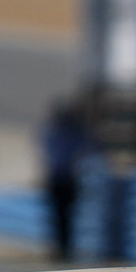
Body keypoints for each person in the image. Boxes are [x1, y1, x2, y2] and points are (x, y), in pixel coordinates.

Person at [39, 100, 89, 263]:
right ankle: (61, 247)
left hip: (65, 178)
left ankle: (63, 247)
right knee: (61, 215)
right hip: (63, 178)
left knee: (64, 215)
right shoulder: (63, 133)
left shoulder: (63, 133)